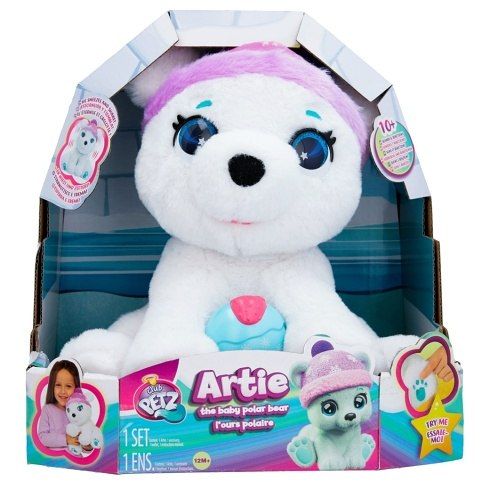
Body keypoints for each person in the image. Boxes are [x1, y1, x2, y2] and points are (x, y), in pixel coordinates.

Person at [38, 360, 81, 449]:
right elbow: (43, 437)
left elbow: (84, 438)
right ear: (52, 386)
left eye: (68, 386)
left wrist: (87, 446)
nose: (63, 391)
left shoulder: (79, 411)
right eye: (58, 385)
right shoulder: (48, 409)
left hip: (75, 456)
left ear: (76, 387)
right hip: (53, 457)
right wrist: (66, 439)